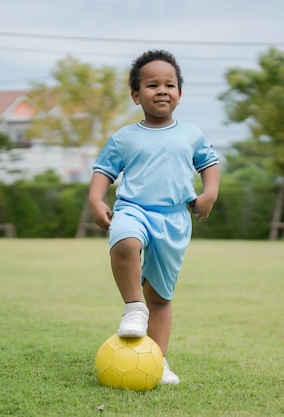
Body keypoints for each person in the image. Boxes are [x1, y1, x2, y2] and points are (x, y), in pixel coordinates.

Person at [88, 50, 220, 385]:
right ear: (136, 95)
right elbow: (103, 170)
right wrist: (95, 198)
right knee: (125, 242)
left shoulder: (191, 134)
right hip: (133, 208)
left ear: (179, 94)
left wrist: (209, 194)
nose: (161, 90)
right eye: (151, 85)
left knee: (160, 298)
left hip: (174, 219)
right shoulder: (124, 137)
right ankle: (133, 307)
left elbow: (209, 165)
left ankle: (157, 362)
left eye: (169, 84)